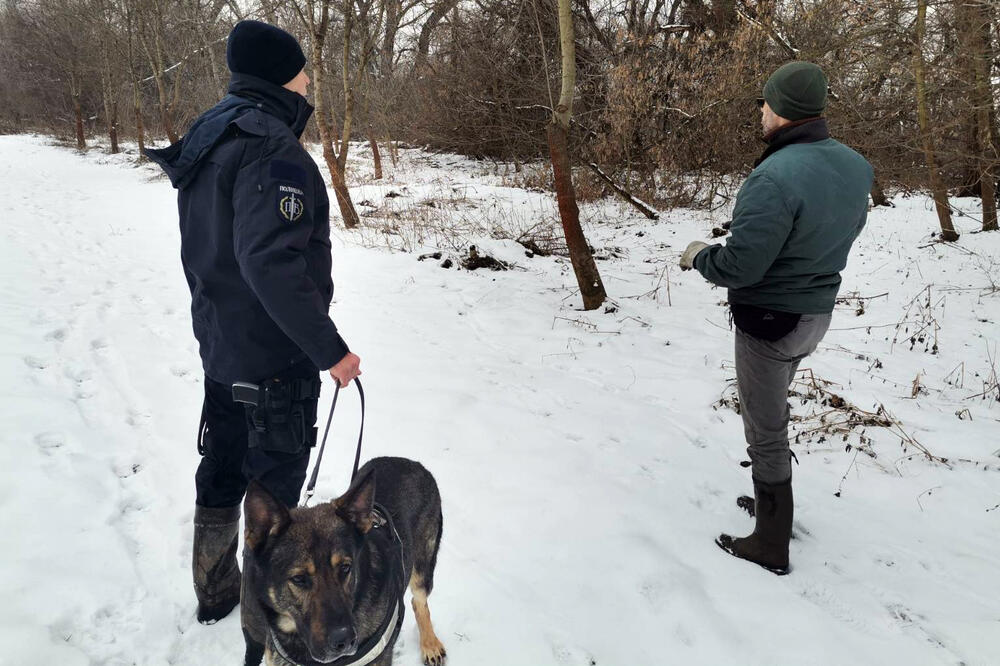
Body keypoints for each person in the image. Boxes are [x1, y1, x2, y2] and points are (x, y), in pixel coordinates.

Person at [146, 19, 361, 663]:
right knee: (275, 518)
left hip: (222, 352)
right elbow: (268, 264)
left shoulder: (212, 136)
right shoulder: (271, 149)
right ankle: (260, 641)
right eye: (301, 71)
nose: (307, 81)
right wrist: (330, 350)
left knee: (221, 473)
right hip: (273, 363)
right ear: (280, 75)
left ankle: (215, 592)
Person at [679, 62, 873, 575]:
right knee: (773, 416)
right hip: (815, 315)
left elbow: (742, 267)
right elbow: (843, 231)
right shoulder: (855, 166)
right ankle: (775, 516)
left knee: (765, 429)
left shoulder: (773, 176)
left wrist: (700, 255)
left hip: (770, 321)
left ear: (782, 108)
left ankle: (770, 540)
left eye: (763, 104)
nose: (760, 112)